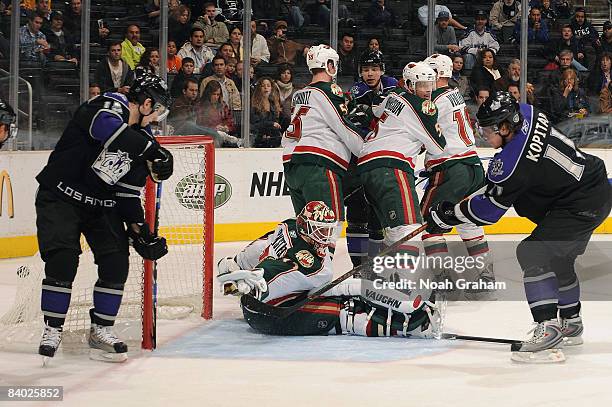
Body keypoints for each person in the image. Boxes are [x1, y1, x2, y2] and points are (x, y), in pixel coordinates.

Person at [426, 91, 611, 363]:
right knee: (559, 259)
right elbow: (509, 181)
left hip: (578, 203)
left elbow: (489, 213)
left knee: (532, 253)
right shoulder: (527, 112)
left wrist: (448, 215)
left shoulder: (512, 162)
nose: (483, 135)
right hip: (589, 188)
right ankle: (571, 323)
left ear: (505, 127)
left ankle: (548, 328)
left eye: (488, 130)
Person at [35, 69, 174, 362]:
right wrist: (152, 150)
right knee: (63, 257)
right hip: (60, 195)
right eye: (157, 108)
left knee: (116, 261)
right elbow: (104, 128)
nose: (157, 117)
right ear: (146, 103)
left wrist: (139, 229)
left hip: (99, 203)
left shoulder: (143, 139)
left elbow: (126, 193)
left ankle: (100, 330)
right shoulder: (111, 104)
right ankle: (53, 328)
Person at [217, 201, 443, 338]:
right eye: (321, 231)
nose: (326, 238)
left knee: (346, 299)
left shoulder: (287, 227)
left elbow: (255, 253)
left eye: (328, 231)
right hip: (271, 315)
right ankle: (412, 327)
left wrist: (233, 266)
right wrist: (255, 281)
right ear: (306, 227)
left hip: (260, 303)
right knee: (346, 312)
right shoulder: (314, 264)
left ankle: (408, 315)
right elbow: (277, 272)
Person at [356, 62, 445, 268]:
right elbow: (438, 147)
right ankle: (404, 291)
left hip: (368, 166)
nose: (428, 90)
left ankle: (382, 282)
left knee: (393, 233)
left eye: (430, 84)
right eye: (422, 84)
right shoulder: (421, 105)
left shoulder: (392, 95)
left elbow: (376, 110)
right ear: (410, 85)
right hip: (391, 167)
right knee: (409, 229)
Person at [421, 53, 494, 297]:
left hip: (451, 169)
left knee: (429, 224)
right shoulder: (455, 95)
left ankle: (442, 278)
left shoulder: (434, 101)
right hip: (473, 167)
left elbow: (422, 134)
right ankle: (485, 275)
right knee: (467, 221)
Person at [282, 45, 364, 248]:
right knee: (329, 223)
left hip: (293, 166)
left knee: (307, 228)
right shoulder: (329, 90)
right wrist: (367, 151)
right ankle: (320, 276)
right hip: (318, 165)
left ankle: (304, 273)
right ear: (329, 65)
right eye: (333, 63)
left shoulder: (299, 94)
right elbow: (343, 126)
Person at [343, 50, 397, 267]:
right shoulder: (357, 90)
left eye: (374, 69)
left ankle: (376, 265)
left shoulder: (393, 85)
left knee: (377, 215)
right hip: (358, 158)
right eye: (365, 70)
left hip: (381, 157)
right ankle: (357, 267)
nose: (370, 74)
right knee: (356, 212)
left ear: (382, 70)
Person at [251, 77, 284, 148]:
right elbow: (255, 125)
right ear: (259, 89)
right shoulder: (254, 105)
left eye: (268, 86)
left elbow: (277, 122)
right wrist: (271, 124)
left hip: (272, 138)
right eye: (263, 86)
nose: (266, 88)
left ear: (271, 88)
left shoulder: (273, 103)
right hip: (258, 139)